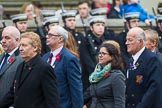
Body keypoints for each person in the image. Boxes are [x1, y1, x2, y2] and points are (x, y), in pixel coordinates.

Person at [0, 32, 60, 108]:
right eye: (20, 45)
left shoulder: (44, 68)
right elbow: (13, 93)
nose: (20, 49)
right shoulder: (21, 66)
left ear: (35, 48)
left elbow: (52, 100)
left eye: (24, 45)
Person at [42, 25, 83, 108]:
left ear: (60, 39)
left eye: (50, 35)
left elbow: (76, 88)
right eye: (47, 34)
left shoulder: (69, 58)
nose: (47, 36)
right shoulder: (45, 57)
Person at [125, 27, 162, 108]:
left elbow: (154, 88)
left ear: (140, 41)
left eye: (130, 40)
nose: (126, 43)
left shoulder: (152, 59)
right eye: (126, 40)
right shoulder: (131, 60)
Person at [80, 16, 116, 91]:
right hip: (91, 78)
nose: (101, 28)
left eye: (102, 25)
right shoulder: (85, 42)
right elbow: (87, 62)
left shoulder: (107, 40)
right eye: (97, 25)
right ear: (91, 27)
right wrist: (99, 73)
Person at [84, 43, 126, 108]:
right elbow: (87, 96)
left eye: (104, 53)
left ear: (112, 56)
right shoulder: (96, 75)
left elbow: (120, 103)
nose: (100, 56)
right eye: (99, 53)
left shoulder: (117, 76)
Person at [0, 26, 23, 102]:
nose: (2, 41)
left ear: (17, 40)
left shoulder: (22, 58)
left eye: (7, 38)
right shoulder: (1, 57)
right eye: (2, 37)